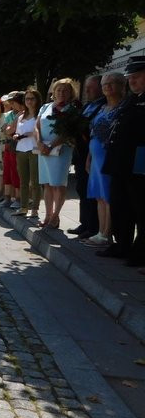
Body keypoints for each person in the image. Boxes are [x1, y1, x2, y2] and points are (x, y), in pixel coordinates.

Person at [98, 56, 145, 266]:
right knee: (120, 206)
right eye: (130, 78)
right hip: (121, 163)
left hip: (138, 164)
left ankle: (140, 253)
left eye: (136, 77)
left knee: (140, 208)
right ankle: (122, 244)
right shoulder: (131, 100)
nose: (132, 81)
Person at [83, 73, 125, 246]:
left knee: (108, 196)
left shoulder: (122, 109)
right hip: (96, 157)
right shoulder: (102, 108)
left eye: (111, 83)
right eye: (104, 84)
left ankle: (107, 233)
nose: (106, 87)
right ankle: (101, 231)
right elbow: (93, 134)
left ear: (122, 85)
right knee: (99, 195)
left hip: (110, 157)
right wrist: (89, 157)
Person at [35, 78, 79, 228]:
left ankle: (55, 216)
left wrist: (51, 145)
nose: (61, 93)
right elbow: (37, 126)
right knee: (47, 184)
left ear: (70, 93)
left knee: (58, 184)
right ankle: (47, 215)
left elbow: (68, 132)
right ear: (53, 92)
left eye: (65, 90)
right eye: (58, 90)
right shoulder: (45, 107)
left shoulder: (71, 110)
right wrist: (40, 142)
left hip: (61, 150)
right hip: (43, 150)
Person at [68, 75, 104, 238]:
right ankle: (85, 223)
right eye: (87, 87)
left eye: (91, 87)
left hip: (92, 154)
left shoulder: (102, 106)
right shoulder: (87, 106)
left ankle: (94, 227)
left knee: (92, 191)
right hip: (81, 153)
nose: (87, 90)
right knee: (81, 188)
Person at [13, 89, 42, 219]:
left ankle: (35, 209)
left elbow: (40, 132)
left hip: (34, 149)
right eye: (27, 99)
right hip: (21, 149)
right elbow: (17, 131)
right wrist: (16, 135)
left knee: (35, 181)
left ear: (37, 100)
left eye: (32, 99)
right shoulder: (21, 117)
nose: (29, 101)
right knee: (23, 181)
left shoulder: (39, 115)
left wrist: (30, 134)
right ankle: (23, 207)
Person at [0, 92, 23, 208]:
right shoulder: (8, 115)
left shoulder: (23, 114)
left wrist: (9, 131)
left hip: (18, 146)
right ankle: (7, 197)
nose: (11, 104)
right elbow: (5, 131)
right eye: (10, 102)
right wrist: (9, 131)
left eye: (14, 102)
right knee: (7, 172)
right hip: (9, 145)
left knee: (16, 172)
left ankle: (18, 198)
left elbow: (9, 130)